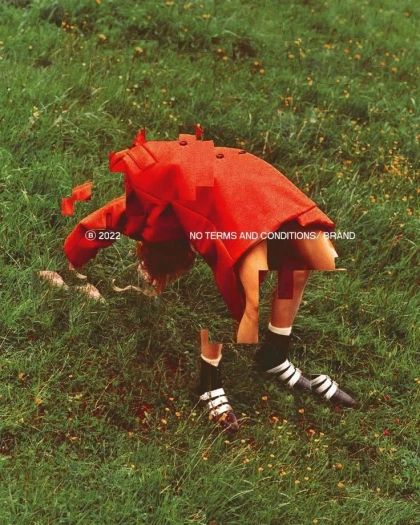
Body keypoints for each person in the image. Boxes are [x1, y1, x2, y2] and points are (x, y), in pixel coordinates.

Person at [64, 128, 355, 433]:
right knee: (248, 293)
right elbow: (108, 220)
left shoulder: (157, 201)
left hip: (252, 185)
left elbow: (107, 219)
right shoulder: (158, 212)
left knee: (296, 262)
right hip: (239, 188)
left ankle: (272, 355)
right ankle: (211, 382)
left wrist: (75, 258)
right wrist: (73, 261)